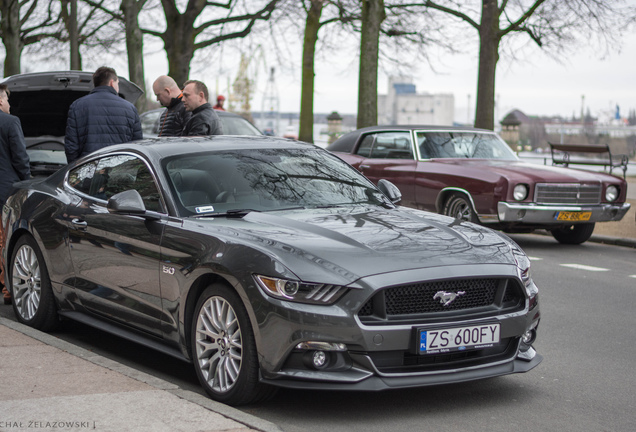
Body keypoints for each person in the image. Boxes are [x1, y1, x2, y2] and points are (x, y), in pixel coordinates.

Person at [65, 66, 142, 164]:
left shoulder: (77, 106)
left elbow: (71, 146)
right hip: (119, 169)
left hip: (87, 169)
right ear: (111, 83)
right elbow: (137, 145)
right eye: (117, 83)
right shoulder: (130, 108)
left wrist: (75, 169)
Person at [0, 84, 31, 304]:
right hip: (5, 191)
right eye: (8, 100)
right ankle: (8, 290)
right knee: (5, 240)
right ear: (1, 101)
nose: (9, 105)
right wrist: (28, 182)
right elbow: (20, 158)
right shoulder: (11, 122)